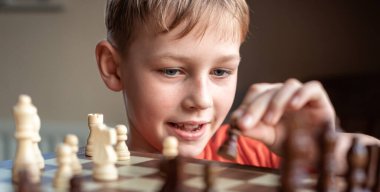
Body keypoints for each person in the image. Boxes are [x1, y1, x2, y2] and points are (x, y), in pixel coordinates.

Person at [95, 0, 378, 170]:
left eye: (220, 71)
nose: (202, 100)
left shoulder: (251, 150)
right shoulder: (91, 169)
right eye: (171, 71)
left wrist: (326, 147)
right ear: (113, 67)